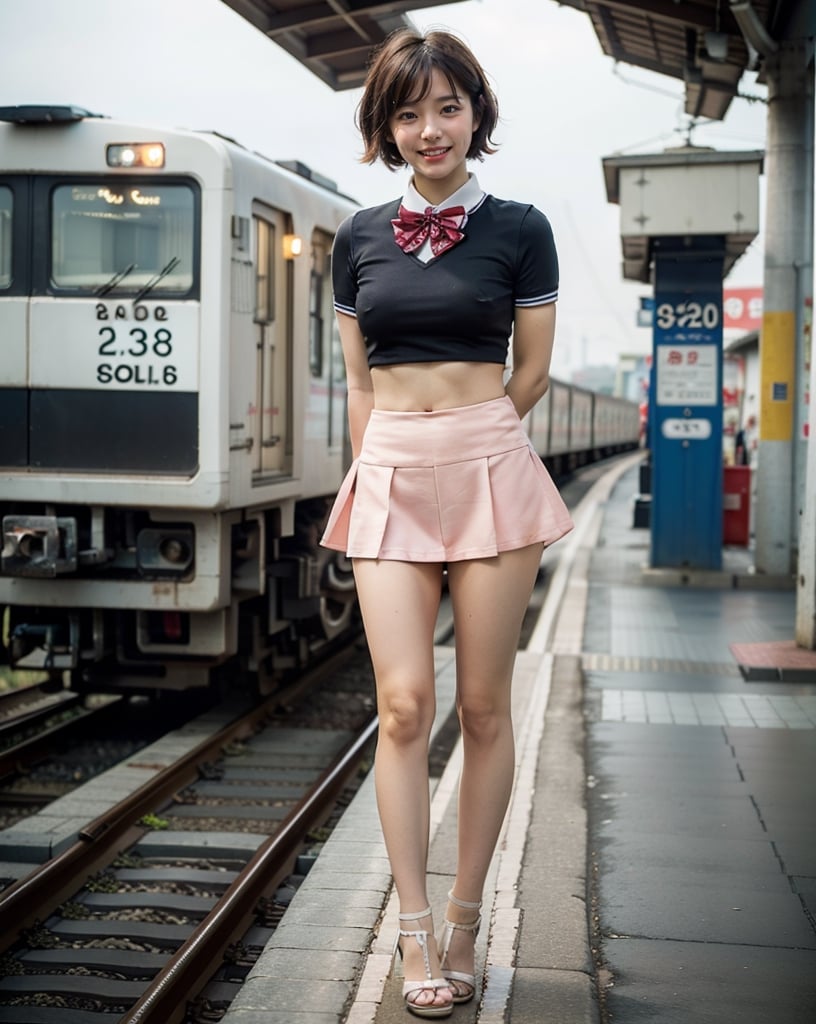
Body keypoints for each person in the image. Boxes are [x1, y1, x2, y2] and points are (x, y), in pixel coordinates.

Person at [320, 28, 573, 1019]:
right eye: (408, 112)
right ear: (386, 127)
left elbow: (536, 371)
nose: (430, 129)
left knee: (482, 706)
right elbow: (354, 381)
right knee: (403, 705)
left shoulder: (522, 228)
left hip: (488, 462)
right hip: (388, 466)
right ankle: (414, 925)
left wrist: (476, 443)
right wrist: (375, 466)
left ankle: (466, 917)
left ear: (476, 112)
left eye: (447, 107)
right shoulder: (357, 237)